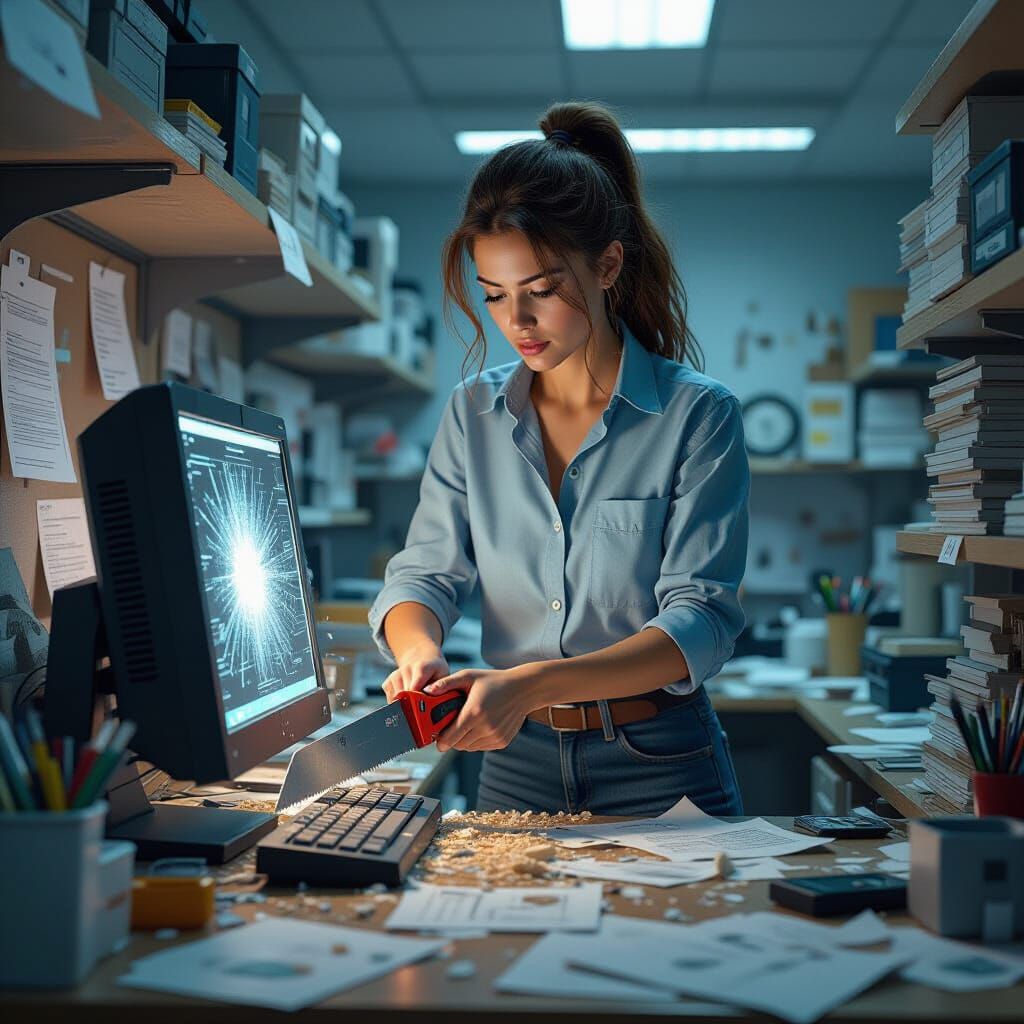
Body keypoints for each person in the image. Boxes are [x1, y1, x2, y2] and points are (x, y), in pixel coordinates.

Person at [368, 101, 748, 817]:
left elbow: (698, 624)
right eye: (496, 297)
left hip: (660, 759)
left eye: (542, 291)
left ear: (607, 265)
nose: (518, 322)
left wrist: (531, 683)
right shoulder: (470, 414)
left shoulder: (698, 415)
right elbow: (423, 574)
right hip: (514, 761)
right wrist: (415, 649)